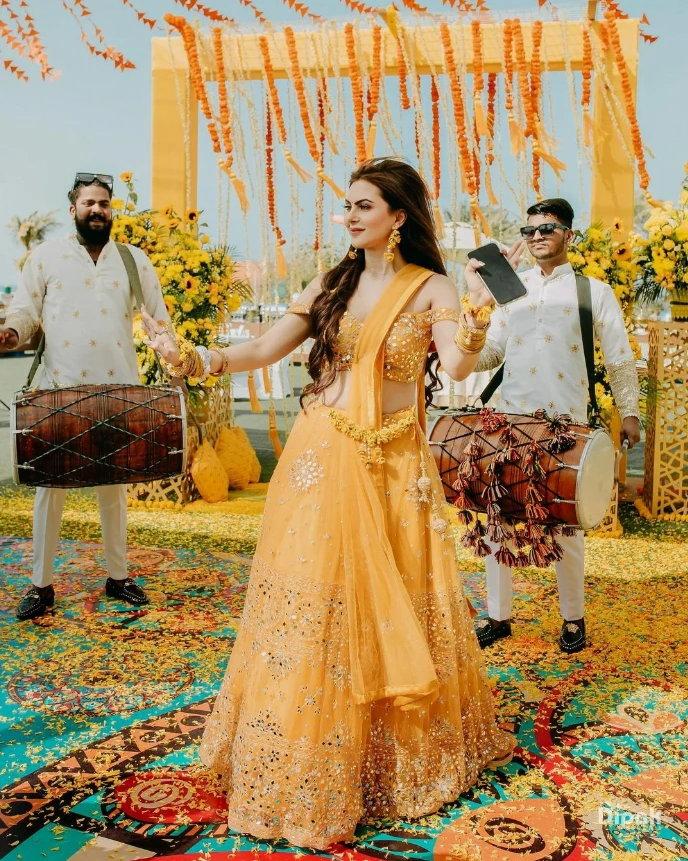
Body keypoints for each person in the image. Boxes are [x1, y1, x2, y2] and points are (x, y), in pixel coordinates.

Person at [142, 157, 518, 849]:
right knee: (315, 602)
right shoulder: (332, 282)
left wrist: (474, 319)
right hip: (322, 456)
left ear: (398, 216)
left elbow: (460, 369)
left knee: (400, 599)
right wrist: (195, 358)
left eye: (364, 206)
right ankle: (303, 754)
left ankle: (392, 759)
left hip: (395, 463)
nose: (349, 216)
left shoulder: (432, 286)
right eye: (346, 205)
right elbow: (260, 346)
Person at [465, 198, 641, 654]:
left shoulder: (592, 291)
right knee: (496, 520)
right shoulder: (511, 290)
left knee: (566, 526)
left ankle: (572, 618)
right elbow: (489, 357)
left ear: (568, 234)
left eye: (547, 228)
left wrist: (629, 412)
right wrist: (470, 328)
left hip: (566, 424)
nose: (537, 236)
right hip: (508, 423)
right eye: (530, 230)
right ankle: (498, 616)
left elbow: (620, 359)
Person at [0, 172, 172, 620]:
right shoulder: (45, 257)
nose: (97, 210)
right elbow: (24, 312)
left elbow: (158, 319)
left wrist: (175, 358)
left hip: (119, 391)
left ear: (111, 210)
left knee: (113, 490)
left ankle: (118, 577)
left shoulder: (134, 260)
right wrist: (11, 332)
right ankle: (41, 586)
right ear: (72, 208)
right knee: (48, 491)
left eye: (104, 204)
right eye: (89, 203)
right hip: (59, 391)